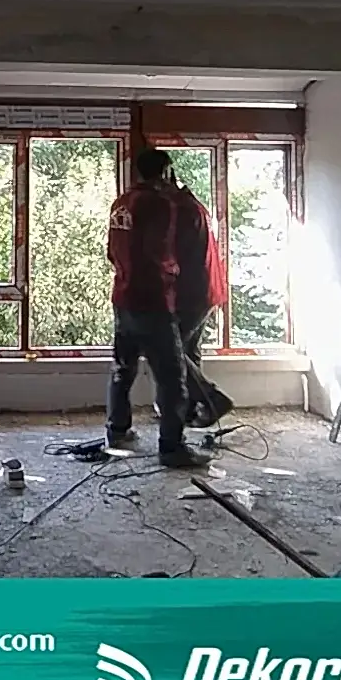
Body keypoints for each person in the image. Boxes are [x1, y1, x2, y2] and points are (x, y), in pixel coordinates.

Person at [105, 148, 212, 468]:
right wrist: (174, 276)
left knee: (123, 368)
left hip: (123, 298)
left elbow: (112, 251)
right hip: (153, 301)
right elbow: (162, 252)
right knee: (172, 378)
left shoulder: (121, 202)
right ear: (165, 172)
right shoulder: (160, 204)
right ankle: (171, 448)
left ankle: (117, 431)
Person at [168, 169, 234, 429]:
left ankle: (211, 398)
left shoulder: (179, 210)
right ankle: (189, 409)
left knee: (171, 349)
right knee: (188, 351)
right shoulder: (192, 205)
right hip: (205, 290)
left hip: (190, 292)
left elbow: (175, 254)